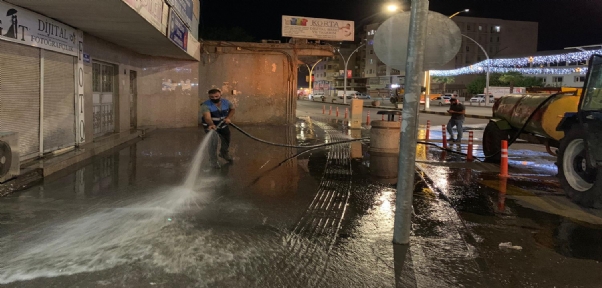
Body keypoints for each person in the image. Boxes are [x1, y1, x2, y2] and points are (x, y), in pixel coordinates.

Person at [201, 88, 235, 168]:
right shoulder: (205, 105)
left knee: (226, 139)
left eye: (216, 96)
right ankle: (213, 160)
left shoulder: (226, 102)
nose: (214, 98)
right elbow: (207, 117)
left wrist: (228, 118)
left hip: (223, 125)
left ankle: (223, 153)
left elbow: (232, 110)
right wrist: (211, 124)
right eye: (212, 97)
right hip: (211, 127)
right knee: (213, 142)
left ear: (220, 95)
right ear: (209, 97)